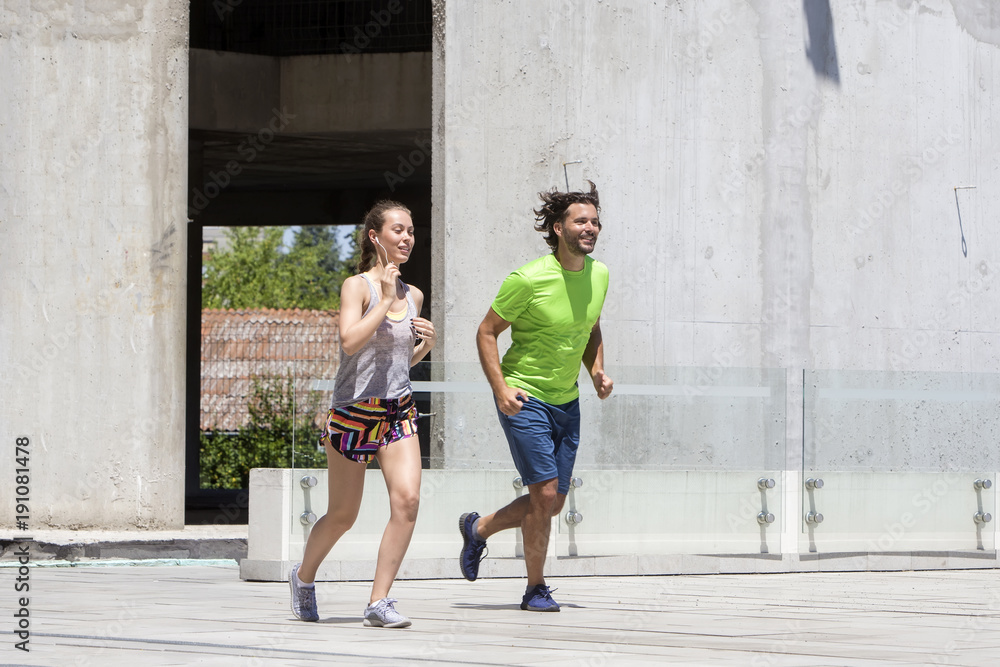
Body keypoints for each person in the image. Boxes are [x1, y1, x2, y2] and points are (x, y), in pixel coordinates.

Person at [459, 180, 613, 612]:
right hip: (524, 395)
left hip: (568, 400)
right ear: (558, 228)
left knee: (553, 500)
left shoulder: (599, 275)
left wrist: (597, 369)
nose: (591, 228)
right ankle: (535, 588)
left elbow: (590, 326)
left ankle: (479, 528)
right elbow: (486, 331)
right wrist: (501, 388)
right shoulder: (527, 279)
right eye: (581, 220)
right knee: (544, 495)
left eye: (595, 221)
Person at [289, 200, 436, 629]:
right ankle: (302, 577)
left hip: (398, 410)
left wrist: (425, 344)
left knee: (407, 501)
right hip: (354, 412)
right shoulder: (359, 287)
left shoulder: (415, 295)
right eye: (398, 230)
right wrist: (385, 299)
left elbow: (398, 364)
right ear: (376, 236)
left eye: (410, 231)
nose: (407, 238)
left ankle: (379, 601)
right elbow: (351, 342)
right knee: (343, 515)